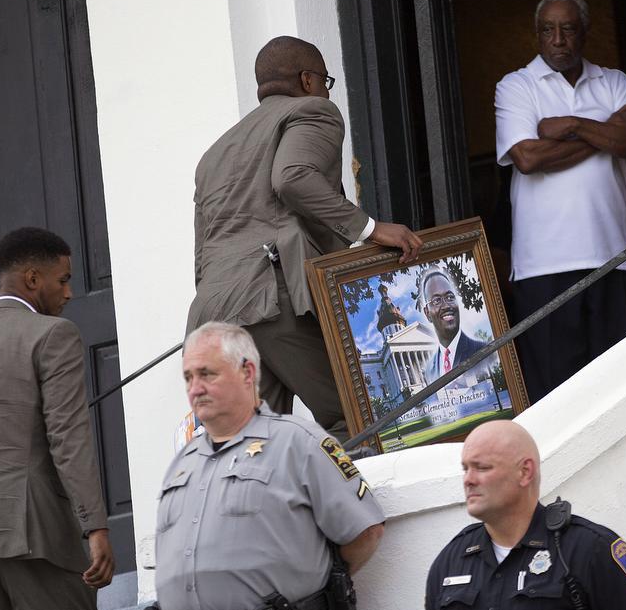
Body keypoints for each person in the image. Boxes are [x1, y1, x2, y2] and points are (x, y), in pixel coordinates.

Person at [187, 35, 422, 441]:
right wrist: (369, 228)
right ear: (309, 79)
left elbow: (203, 249)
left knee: (252, 445)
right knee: (356, 416)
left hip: (214, 310)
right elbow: (292, 178)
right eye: (325, 81)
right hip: (273, 298)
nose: (324, 90)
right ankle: (357, 507)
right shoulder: (313, 111)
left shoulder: (215, 153)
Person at [0, 226, 114, 609]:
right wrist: (95, 527)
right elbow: (68, 439)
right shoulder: (53, 335)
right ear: (32, 278)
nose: (69, 293)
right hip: (32, 531)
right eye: (62, 280)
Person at [154, 321, 385, 609]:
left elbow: (365, 530)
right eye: (188, 377)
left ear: (247, 372)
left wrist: (316, 597)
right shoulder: (182, 463)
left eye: (207, 374)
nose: (195, 388)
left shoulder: (297, 442)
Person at [495, 0, 626, 402]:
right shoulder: (516, 86)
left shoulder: (616, 82)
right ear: (537, 35)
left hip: (614, 258)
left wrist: (574, 126)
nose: (558, 39)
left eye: (567, 29)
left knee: (622, 390)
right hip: (542, 266)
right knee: (554, 396)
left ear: (584, 33)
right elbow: (528, 157)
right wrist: (606, 131)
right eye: (548, 30)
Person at [424, 420, 626, 609]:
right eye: (465, 469)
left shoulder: (587, 550)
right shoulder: (451, 561)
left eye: (482, 467)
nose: (468, 480)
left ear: (525, 472)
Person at [418, 265, 487, 383]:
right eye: (436, 300)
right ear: (427, 313)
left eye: (450, 297)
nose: (446, 305)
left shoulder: (482, 351)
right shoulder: (430, 370)